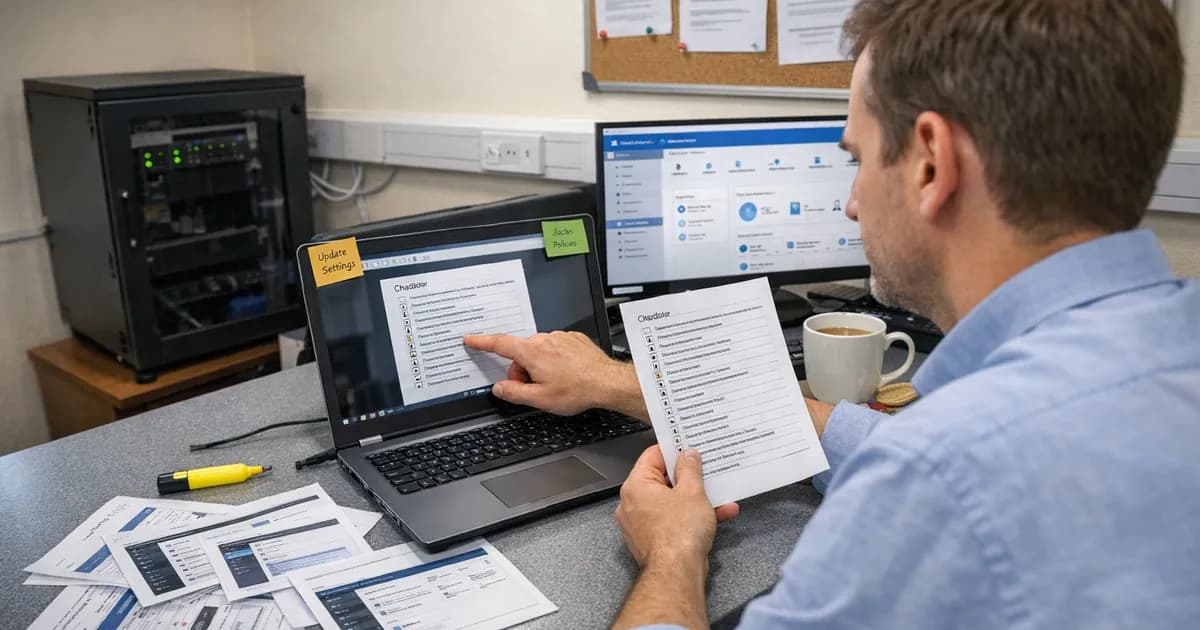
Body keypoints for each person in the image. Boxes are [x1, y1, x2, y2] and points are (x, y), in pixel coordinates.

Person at [466, 0, 1200, 627]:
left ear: (931, 164)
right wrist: (624, 384)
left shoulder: (935, 478)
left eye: (858, 155)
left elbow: (930, 466)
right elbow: (893, 449)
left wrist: (672, 554)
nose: (851, 201)